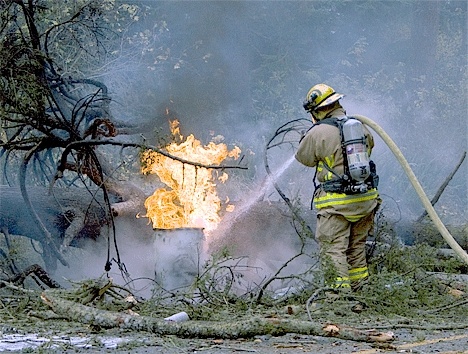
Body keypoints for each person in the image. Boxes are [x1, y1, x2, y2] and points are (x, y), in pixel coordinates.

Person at [295, 83, 381, 291]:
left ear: (319, 109)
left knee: (333, 251)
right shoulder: (359, 126)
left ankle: (338, 300)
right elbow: (370, 146)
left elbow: (304, 158)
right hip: (365, 200)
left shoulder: (318, 132)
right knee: (356, 249)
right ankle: (360, 292)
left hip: (337, 204)